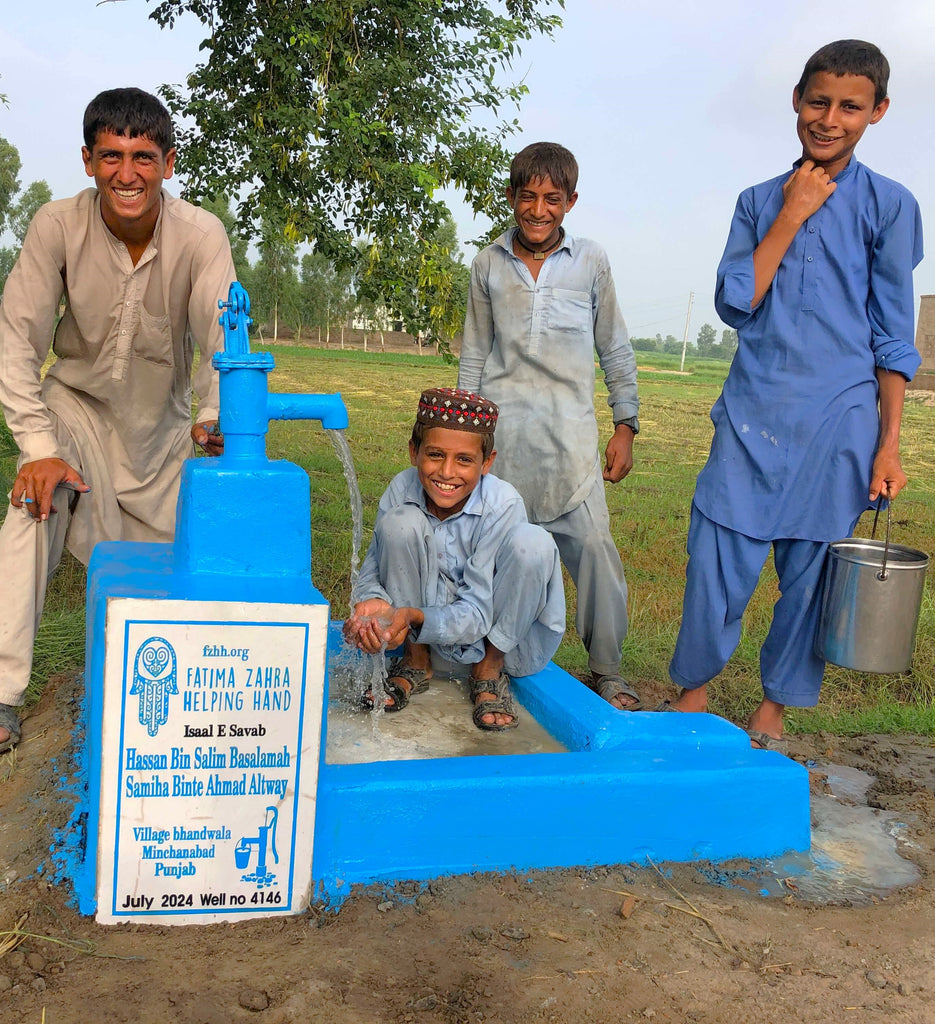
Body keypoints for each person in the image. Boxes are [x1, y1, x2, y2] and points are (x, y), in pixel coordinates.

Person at [662, 40, 923, 748]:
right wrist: (790, 214)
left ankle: (771, 711)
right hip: (751, 415)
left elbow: (892, 335)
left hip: (839, 426)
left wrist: (888, 444)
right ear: (796, 102)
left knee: (809, 579)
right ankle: (692, 695)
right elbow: (736, 303)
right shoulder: (756, 202)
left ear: (877, 112)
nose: (829, 119)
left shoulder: (891, 206)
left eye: (849, 106)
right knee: (714, 561)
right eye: (818, 101)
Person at [0, 88, 236, 753]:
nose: (125, 174)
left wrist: (215, 416)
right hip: (71, 411)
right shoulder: (57, 224)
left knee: (182, 577)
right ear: (87, 159)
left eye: (141, 157)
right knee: (32, 504)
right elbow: (15, 337)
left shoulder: (200, 234)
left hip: (160, 435)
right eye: (110, 156)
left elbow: (221, 339)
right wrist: (38, 446)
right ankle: (2, 692)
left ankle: (178, 718)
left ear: (167, 162)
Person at [458, 142, 641, 711]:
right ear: (511, 197)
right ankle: (482, 657)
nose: (538, 210)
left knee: (594, 551)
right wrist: (462, 434)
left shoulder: (591, 262)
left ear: (570, 202)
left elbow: (613, 344)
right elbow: (474, 353)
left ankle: (607, 671)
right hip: (504, 444)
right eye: (528, 197)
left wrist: (625, 424)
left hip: (571, 448)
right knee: (489, 554)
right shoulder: (488, 265)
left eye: (552, 199)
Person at [344, 387, 565, 731]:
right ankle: (416, 662)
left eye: (464, 460)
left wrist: (413, 615)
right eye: (435, 455)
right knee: (399, 523)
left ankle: (489, 672)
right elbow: (374, 565)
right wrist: (372, 603)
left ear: (487, 463)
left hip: (492, 633)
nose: (447, 473)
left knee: (533, 543)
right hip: (422, 636)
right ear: (413, 452)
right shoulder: (402, 489)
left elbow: (478, 612)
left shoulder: (503, 504)